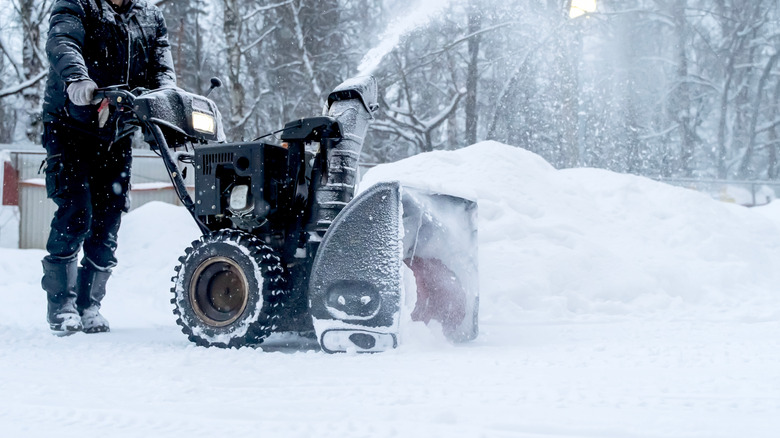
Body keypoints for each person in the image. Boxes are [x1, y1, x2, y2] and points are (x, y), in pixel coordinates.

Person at [41, 0, 175, 334]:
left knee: (109, 217)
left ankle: (89, 304)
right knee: (76, 211)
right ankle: (62, 304)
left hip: (117, 130)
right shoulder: (78, 4)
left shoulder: (150, 16)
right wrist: (77, 78)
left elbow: (162, 72)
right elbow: (63, 40)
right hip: (69, 125)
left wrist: (166, 103)